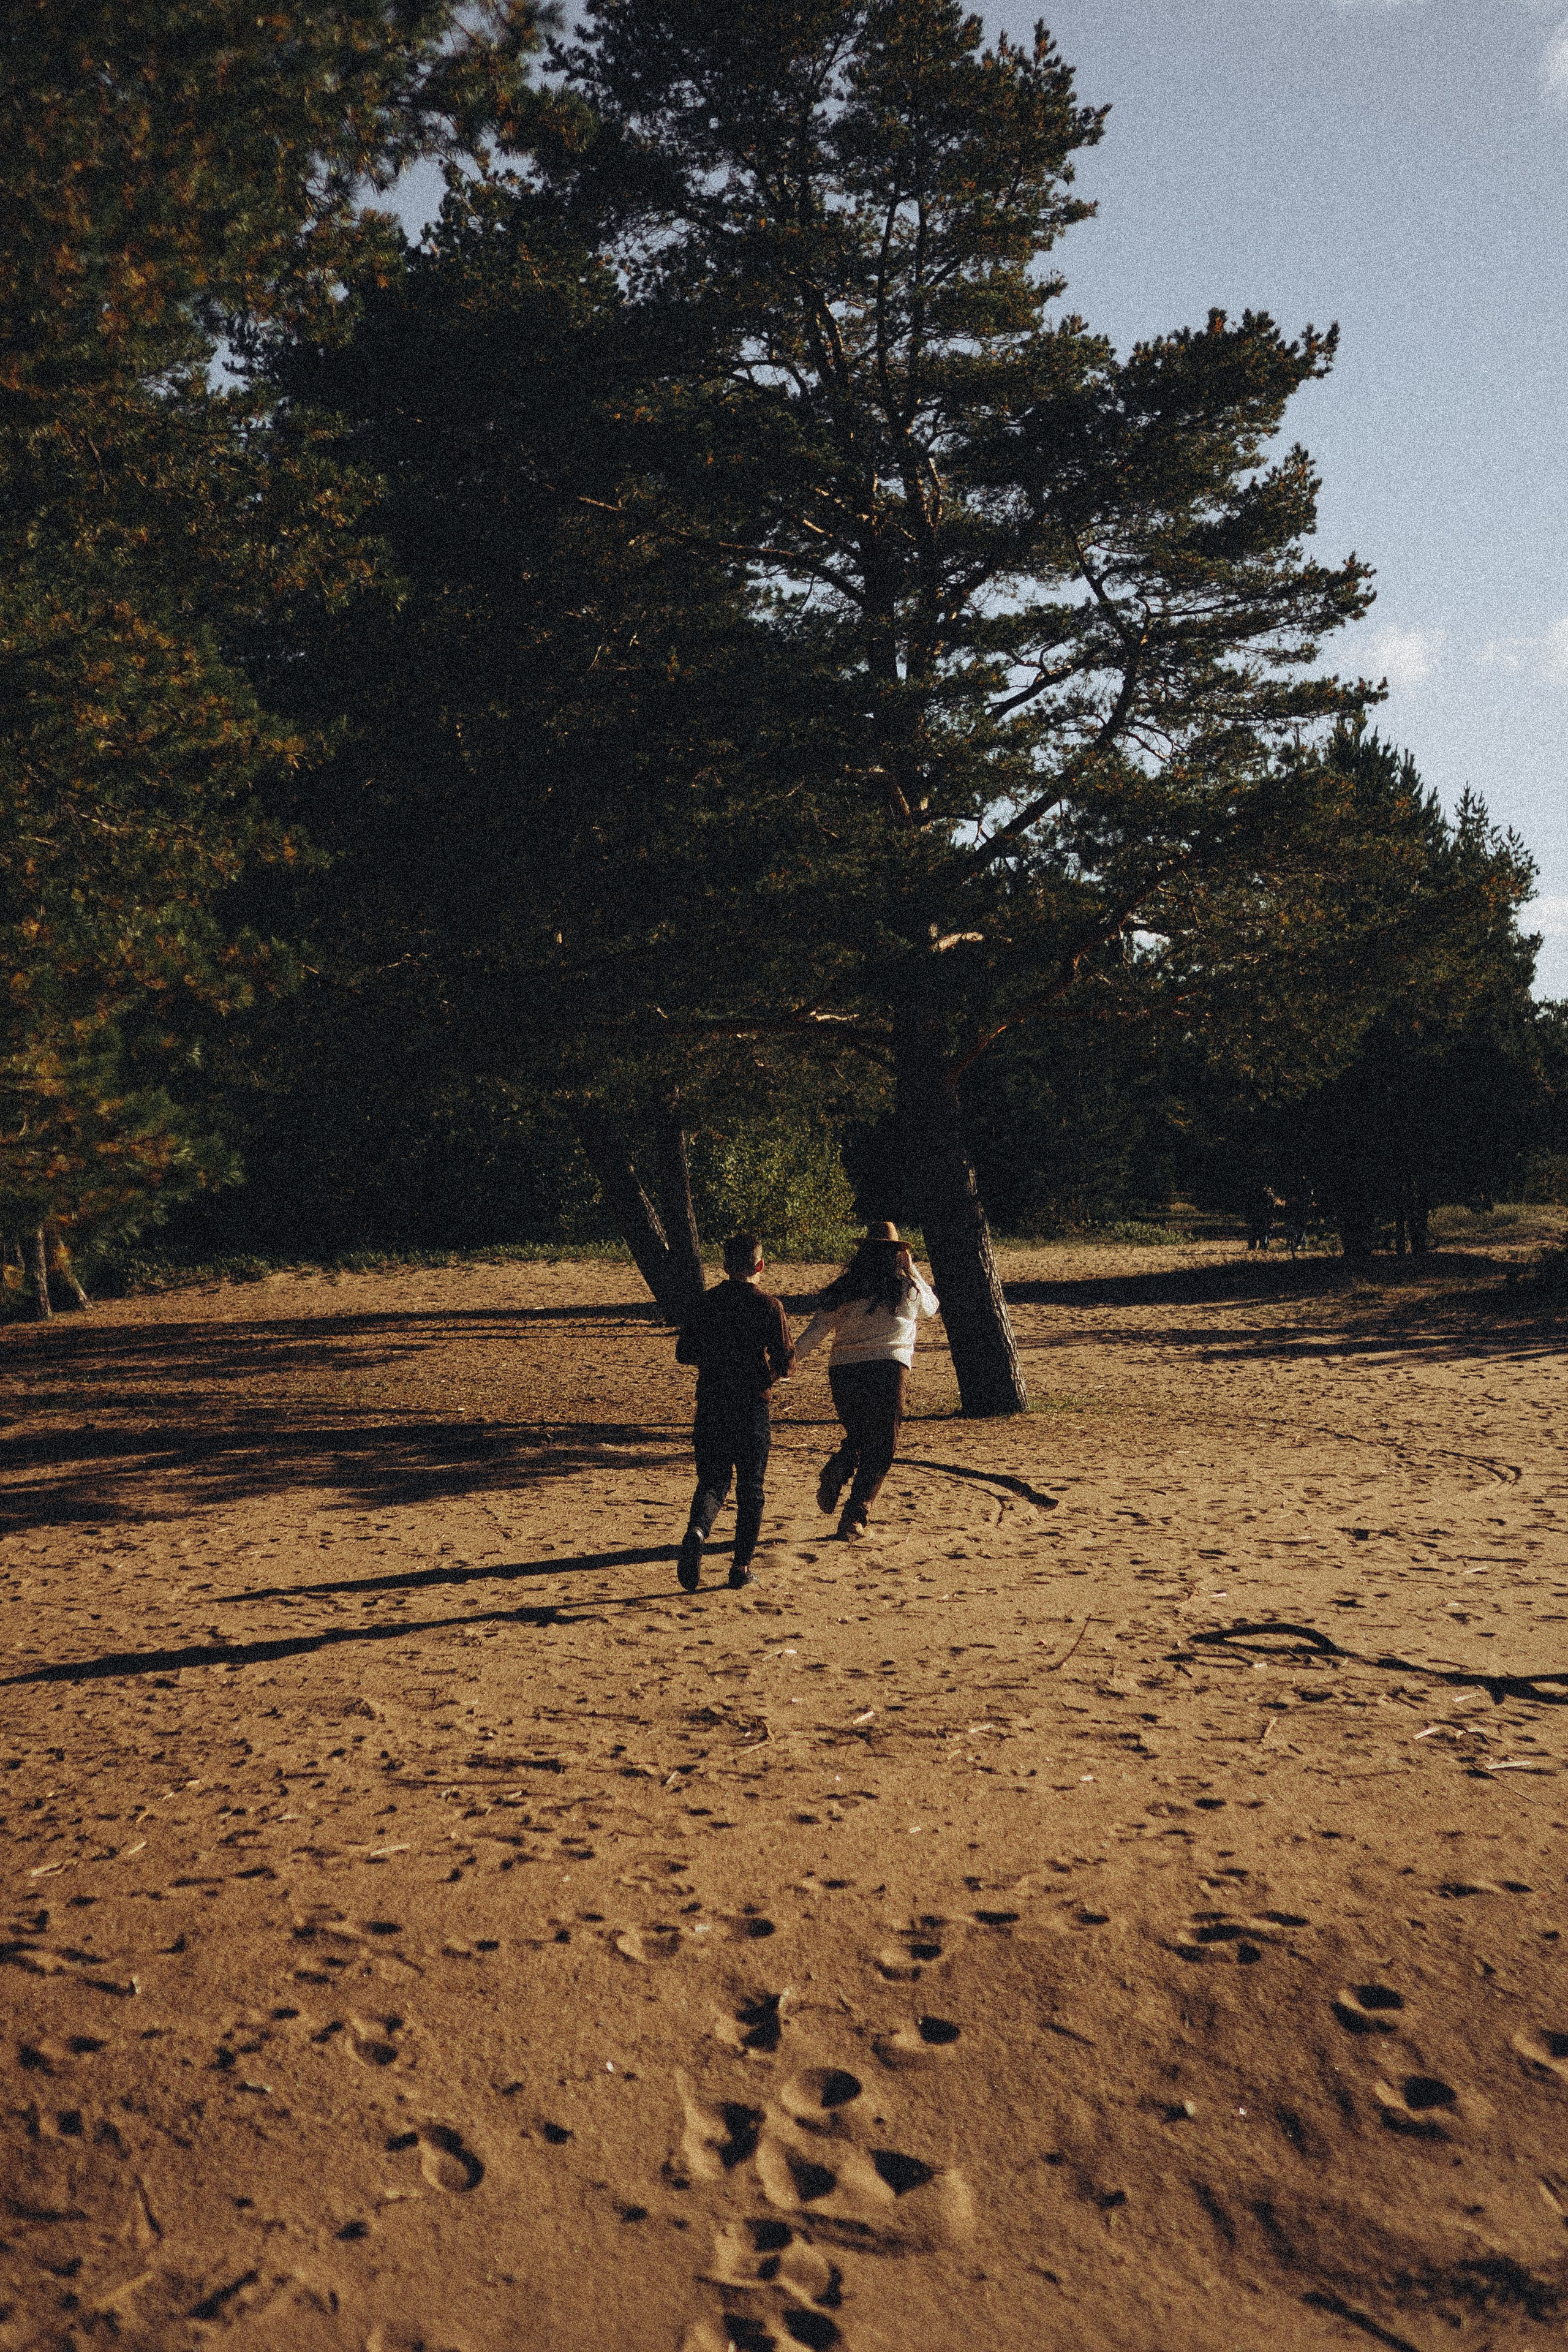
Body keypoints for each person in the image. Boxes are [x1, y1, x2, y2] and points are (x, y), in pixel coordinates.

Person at [793, 1221, 938, 1541]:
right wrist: (913, 1269)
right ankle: (855, 1515)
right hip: (889, 1367)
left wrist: (790, 1361)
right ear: (899, 1254)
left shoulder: (843, 1290)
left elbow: (816, 1330)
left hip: (844, 1370)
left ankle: (841, 1466)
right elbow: (932, 1307)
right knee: (882, 1446)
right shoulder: (907, 1289)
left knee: (860, 1435)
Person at [673, 1232, 794, 1593]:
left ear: (724, 1266)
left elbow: (684, 1353)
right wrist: (766, 1375)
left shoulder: (705, 1303)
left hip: (711, 1403)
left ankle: (697, 1531)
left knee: (713, 1481)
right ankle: (740, 1567)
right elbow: (786, 1360)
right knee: (751, 1489)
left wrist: (715, 1359)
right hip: (752, 1407)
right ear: (760, 1266)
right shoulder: (769, 1306)